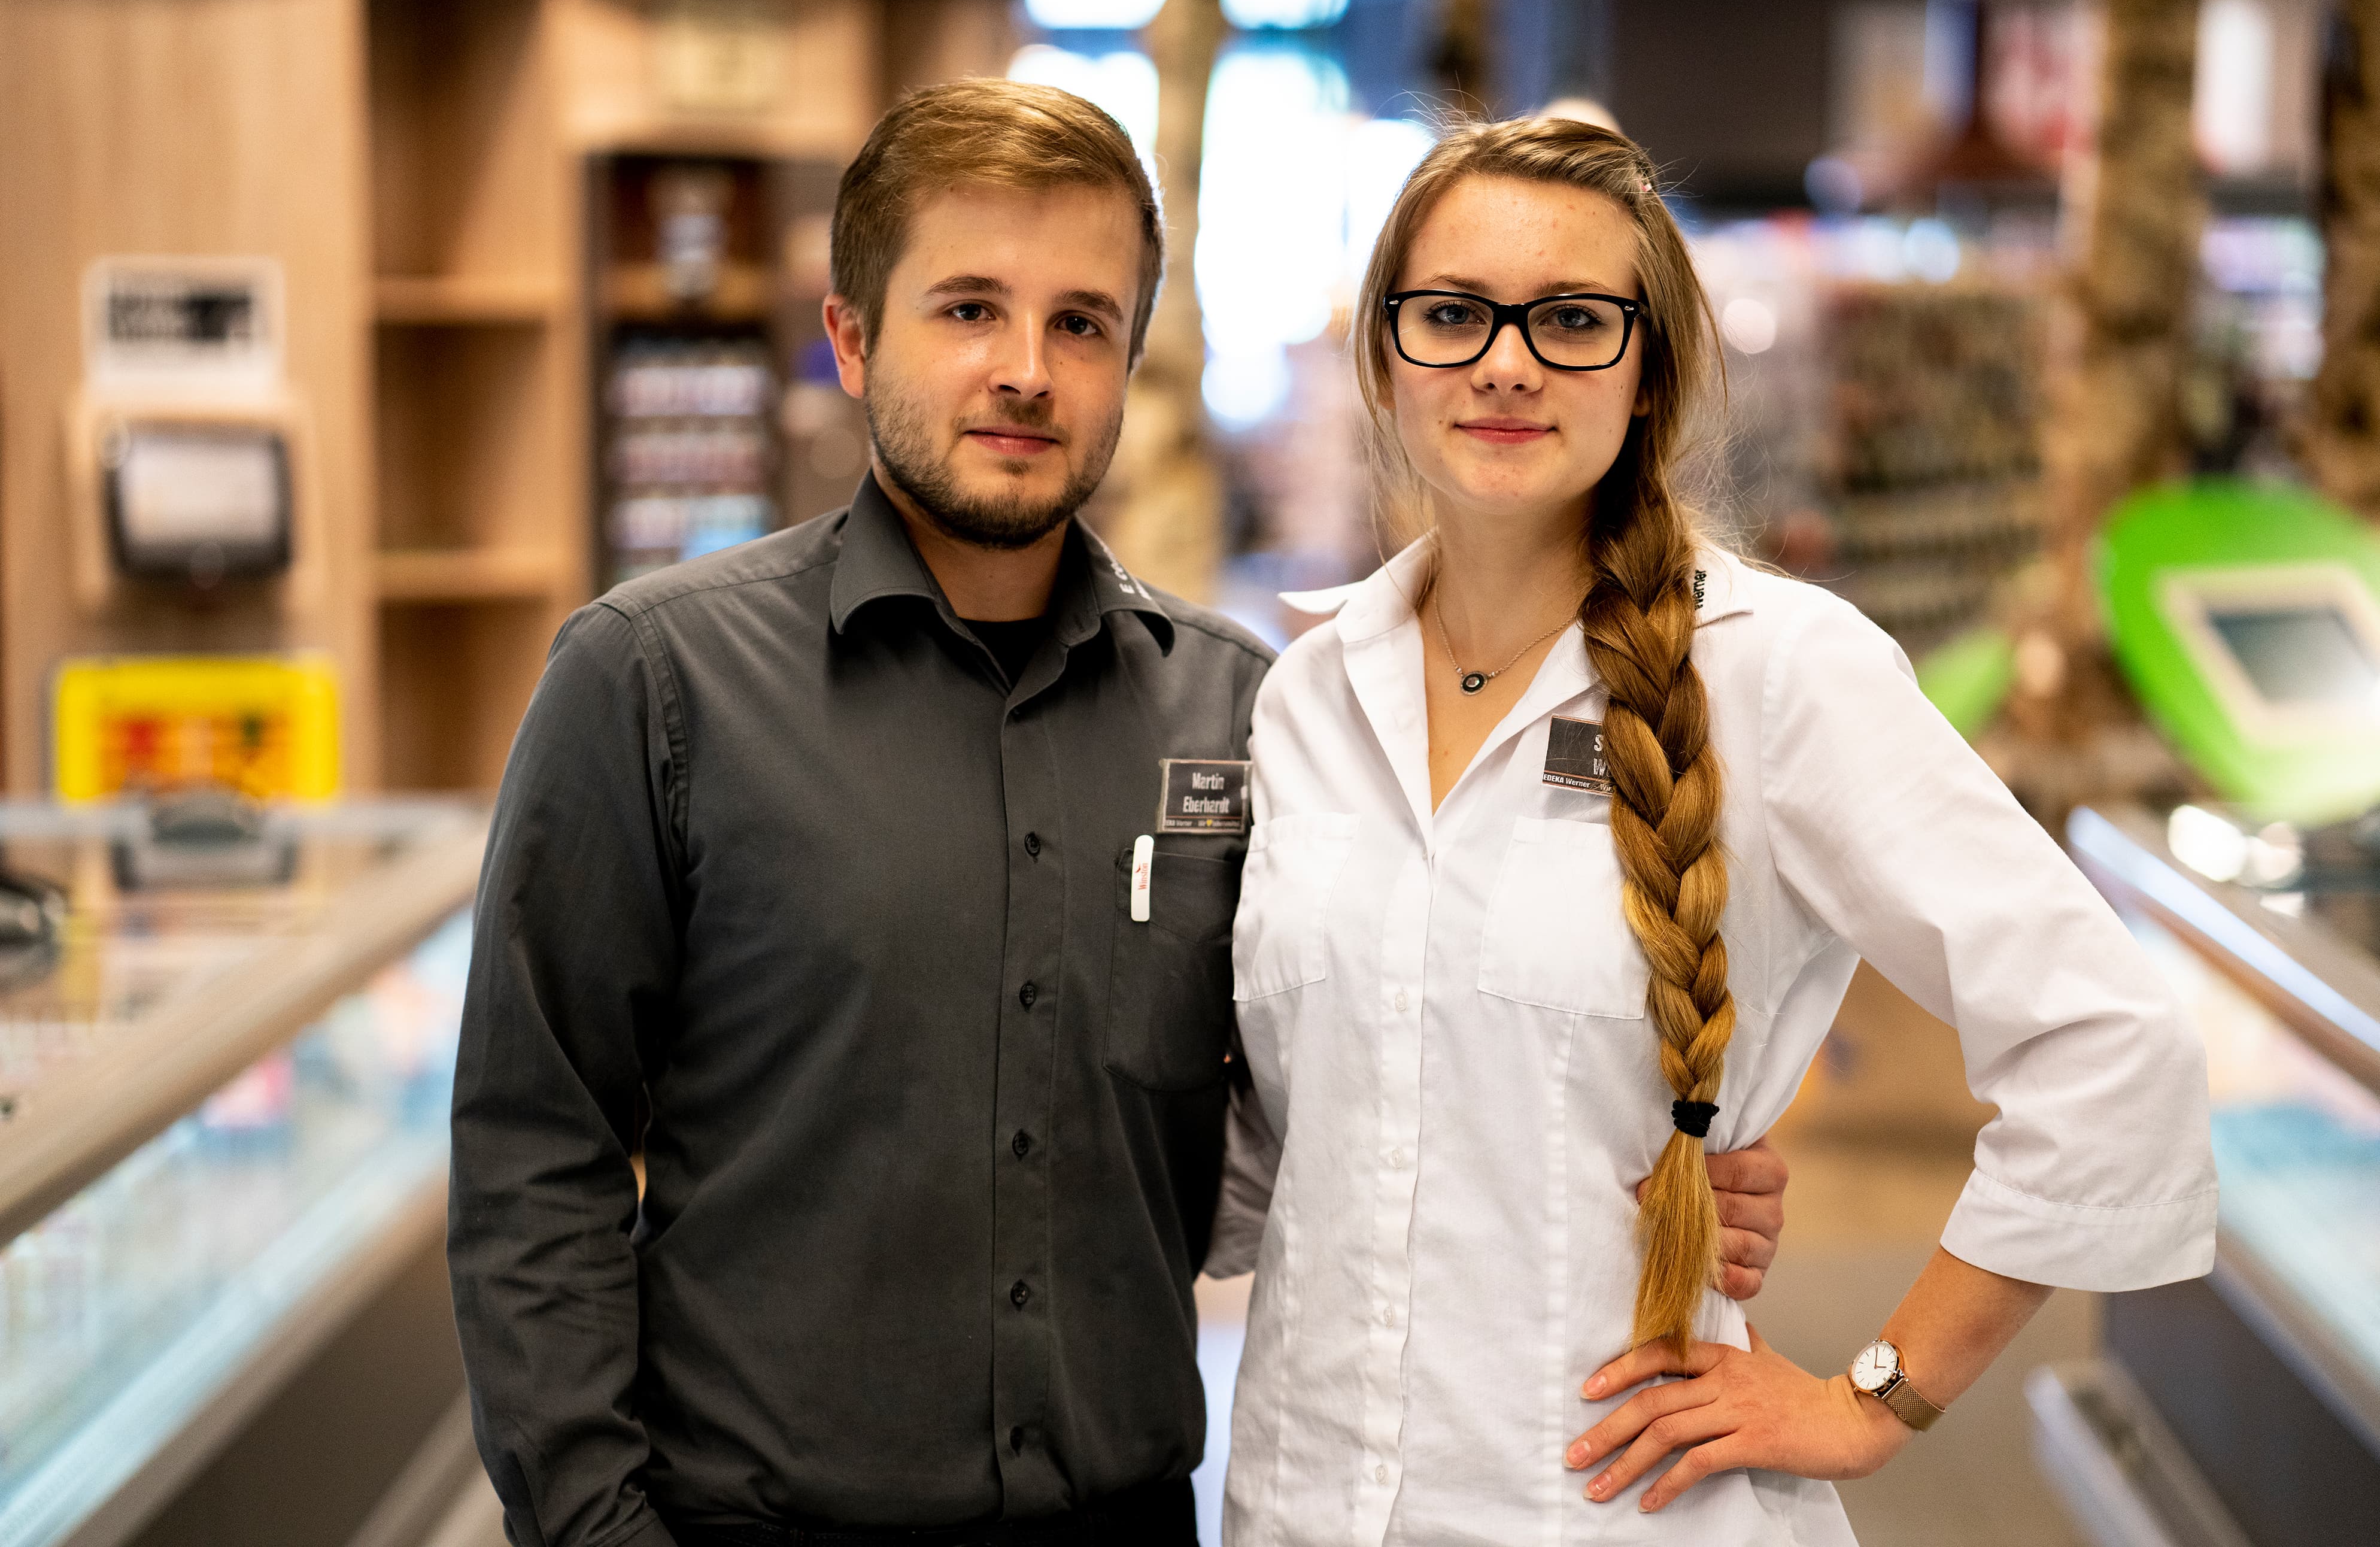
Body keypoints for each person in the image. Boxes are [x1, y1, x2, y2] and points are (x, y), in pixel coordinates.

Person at [447, 80, 1793, 1547]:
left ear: (1128, 364)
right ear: (849, 337)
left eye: (1081, 323)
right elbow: (534, 1154)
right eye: (969, 310)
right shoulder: (655, 683)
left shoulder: (1243, 713)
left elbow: (1350, 1081)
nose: (1026, 372)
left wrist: (1637, 1154)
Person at [1209, 117, 2218, 1545]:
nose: (1504, 363)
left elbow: (2108, 1043)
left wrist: (1873, 1399)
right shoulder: (1307, 698)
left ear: (1648, 376)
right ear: (1382, 357)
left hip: (1612, 1512)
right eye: (1450, 314)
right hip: (1302, 1504)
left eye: (1571, 321)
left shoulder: (1779, 672)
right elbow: (1281, 1144)